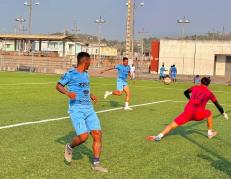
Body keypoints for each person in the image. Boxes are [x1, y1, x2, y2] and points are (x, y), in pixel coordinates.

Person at [56, 52, 108, 173]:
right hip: (76, 109)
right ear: (85, 62)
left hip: (89, 108)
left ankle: (96, 163)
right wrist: (68, 93)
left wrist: (91, 94)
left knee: (97, 134)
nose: (90, 64)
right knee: (83, 137)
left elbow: (85, 88)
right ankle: (69, 146)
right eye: (90, 62)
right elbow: (58, 86)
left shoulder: (86, 74)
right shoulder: (70, 73)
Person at [147, 77, 229, 141]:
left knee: (172, 124)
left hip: (188, 112)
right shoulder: (210, 93)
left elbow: (185, 92)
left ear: (200, 82)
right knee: (209, 113)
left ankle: (159, 136)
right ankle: (210, 133)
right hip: (199, 115)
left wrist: (189, 99)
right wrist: (223, 113)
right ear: (208, 84)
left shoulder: (194, 87)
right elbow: (217, 104)